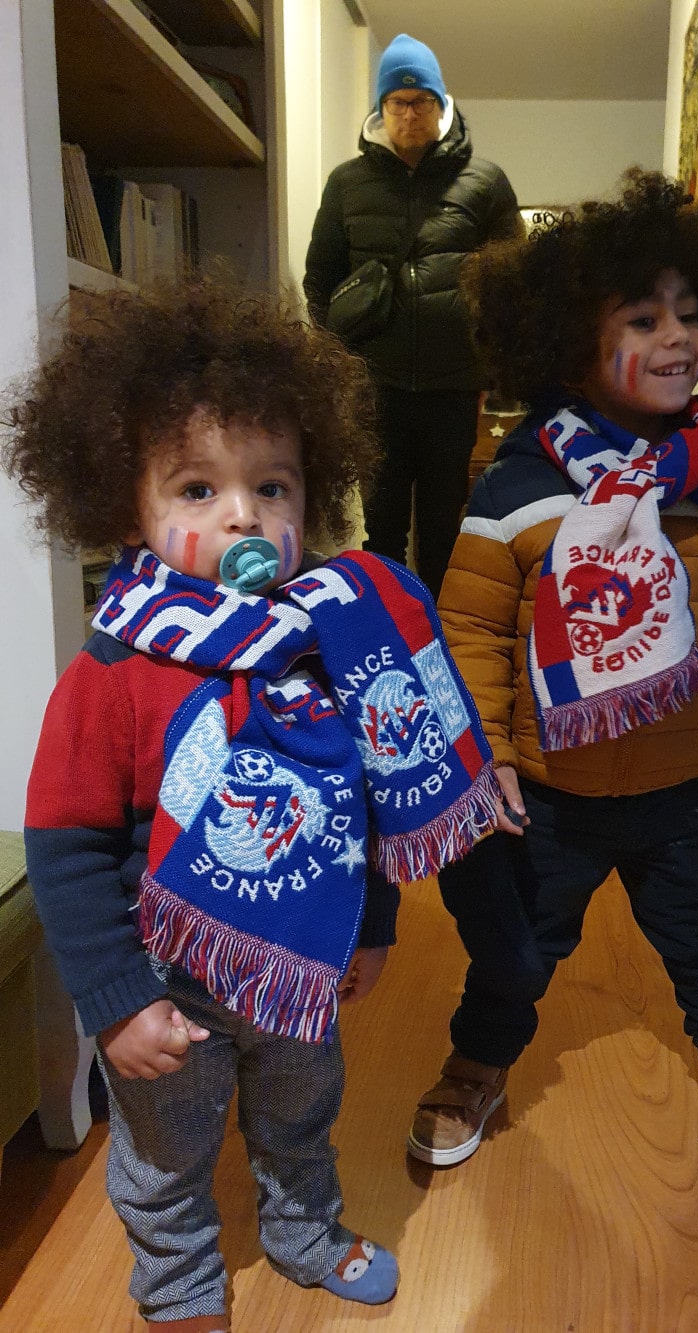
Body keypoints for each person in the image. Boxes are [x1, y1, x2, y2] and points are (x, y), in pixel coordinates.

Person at [2, 277, 501, 1331]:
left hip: (302, 960)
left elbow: (357, 804)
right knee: (168, 1139)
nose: (244, 513)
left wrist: (370, 927)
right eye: (196, 489)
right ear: (122, 506)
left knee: (300, 1108)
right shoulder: (115, 669)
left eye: (273, 486)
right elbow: (65, 841)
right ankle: (178, 1279)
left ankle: (304, 1230)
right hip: (167, 975)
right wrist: (114, 997)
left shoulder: (335, 643)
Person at [406, 169, 698, 1182]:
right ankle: (475, 1064)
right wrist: (483, 759)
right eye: (642, 316)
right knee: (516, 954)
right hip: (548, 795)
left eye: (690, 313)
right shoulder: (516, 485)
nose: (679, 338)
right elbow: (471, 636)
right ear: (572, 341)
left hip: (676, 793)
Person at [303, 33, 523, 599]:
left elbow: (513, 283)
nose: (409, 113)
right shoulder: (346, 184)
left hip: (454, 387)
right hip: (375, 387)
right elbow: (319, 280)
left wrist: (492, 367)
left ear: (441, 105)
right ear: (381, 109)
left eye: (421, 100)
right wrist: (339, 364)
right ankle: (388, 625)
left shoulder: (486, 182)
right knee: (382, 524)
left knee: (445, 522)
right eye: (397, 102)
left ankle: (442, 635)